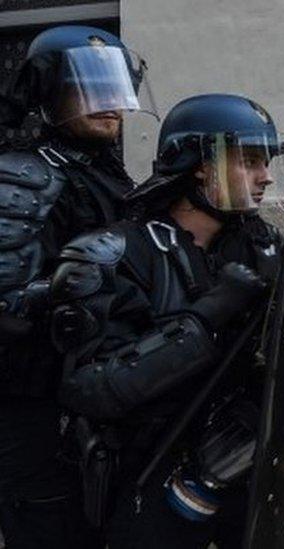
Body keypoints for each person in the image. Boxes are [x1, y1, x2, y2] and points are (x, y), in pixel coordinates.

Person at [49, 93, 284, 548]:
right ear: (200, 165)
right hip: (147, 478)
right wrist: (205, 317)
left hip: (238, 466)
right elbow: (89, 389)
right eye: (250, 161)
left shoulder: (261, 247)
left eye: (268, 160)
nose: (266, 176)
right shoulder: (113, 254)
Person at [0, 25, 156, 549]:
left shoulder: (113, 177)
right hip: (37, 404)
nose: (111, 103)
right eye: (92, 86)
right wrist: (74, 288)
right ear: (50, 94)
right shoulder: (24, 177)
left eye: (116, 87)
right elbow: (8, 306)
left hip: (104, 397)